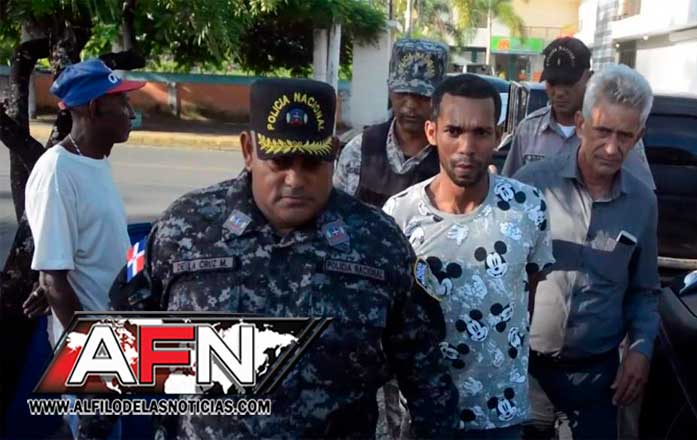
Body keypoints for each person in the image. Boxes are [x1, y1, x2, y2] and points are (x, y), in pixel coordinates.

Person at [110, 78, 458, 438]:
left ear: (333, 153)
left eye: (311, 162)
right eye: (280, 161)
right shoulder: (185, 229)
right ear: (248, 150)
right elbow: (114, 350)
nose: (295, 179)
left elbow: (427, 378)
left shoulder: (378, 242)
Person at [384, 74, 555, 439]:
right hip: (424, 414)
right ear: (432, 132)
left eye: (480, 132)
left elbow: (526, 292)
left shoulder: (527, 208)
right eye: (454, 131)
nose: (467, 146)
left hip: (501, 416)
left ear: (498, 136)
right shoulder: (399, 215)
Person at [513, 64, 661, 439]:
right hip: (525, 375)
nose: (612, 148)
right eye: (603, 131)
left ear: (639, 136)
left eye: (625, 136)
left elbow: (645, 290)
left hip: (596, 381)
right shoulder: (530, 187)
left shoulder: (643, 203)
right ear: (580, 124)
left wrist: (641, 349)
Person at [23, 58, 144, 439]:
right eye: (122, 102)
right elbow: (53, 279)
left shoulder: (93, 162)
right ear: (94, 108)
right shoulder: (57, 172)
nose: (131, 112)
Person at [502, 37, 655, 190]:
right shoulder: (528, 130)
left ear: (589, 77)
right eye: (553, 83)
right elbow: (509, 189)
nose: (559, 92)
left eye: (568, 83)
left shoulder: (620, 135)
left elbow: (641, 193)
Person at [333, 38, 448, 206]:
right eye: (402, 93)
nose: (410, 105)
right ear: (390, 90)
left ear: (441, 97)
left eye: (422, 95)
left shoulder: (451, 157)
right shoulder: (359, 150)